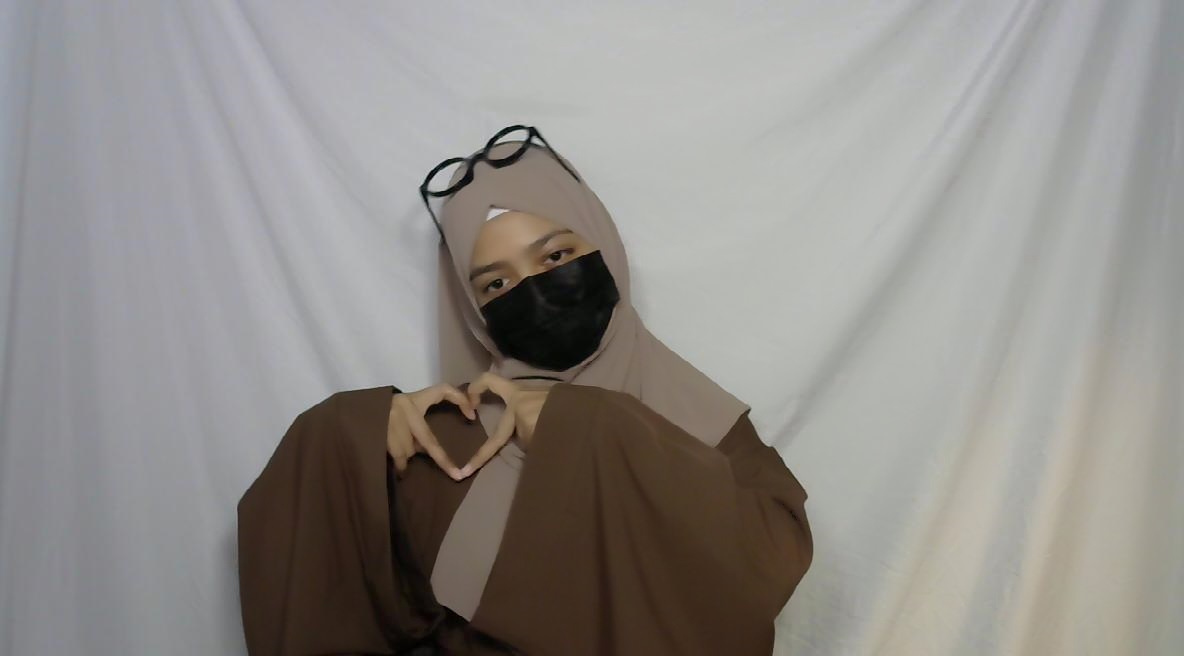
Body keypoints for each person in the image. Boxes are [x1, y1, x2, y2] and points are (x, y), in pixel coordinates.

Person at [237, 126, 813, 655]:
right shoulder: (447, 439)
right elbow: (333, 586)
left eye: (557, 256)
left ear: (603, 247)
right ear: (471, 310)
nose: (534, 291)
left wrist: (588, 426)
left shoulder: (696, 416)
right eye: (496, 283)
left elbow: (771, 557)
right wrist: (348, 440)